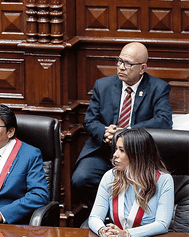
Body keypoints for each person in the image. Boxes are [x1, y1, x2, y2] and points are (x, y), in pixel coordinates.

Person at [72, 42, 172, 208]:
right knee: (81, 178)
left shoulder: (158, 88)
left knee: (141, 183)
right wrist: (105, 132)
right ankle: (108, 214)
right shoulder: (102, 85)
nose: (121, 67)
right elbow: (90, 121)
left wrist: (127, 132)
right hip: (104, 150)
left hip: (137, 155)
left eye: (128, 64)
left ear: (142, 68)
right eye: (119, 61)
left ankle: (126, 216)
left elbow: (164, 121)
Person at [89, 129, 174, 237]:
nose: (115, 155)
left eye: (122, 150)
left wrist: (126, 234)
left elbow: (162, 224)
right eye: (116, 149)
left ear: (138, 154)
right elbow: (94, 217)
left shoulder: (163, 180)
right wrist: (103, 231)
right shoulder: (110, 176)